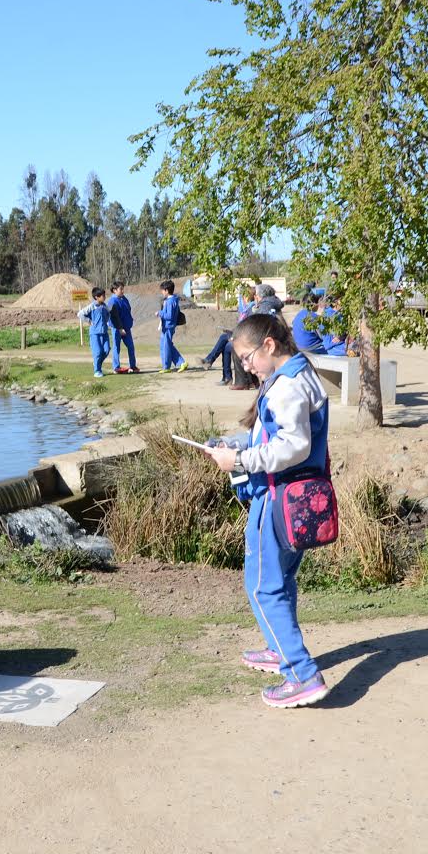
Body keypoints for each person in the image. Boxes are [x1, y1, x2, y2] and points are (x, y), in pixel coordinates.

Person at [206, 313, 331, 708]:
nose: (245, 366)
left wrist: (240, 461)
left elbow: (293, 446)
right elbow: (274, 435)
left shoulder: (285, 387)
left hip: (278, 499)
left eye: (247, 358)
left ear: (269, 346)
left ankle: (302, 675)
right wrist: (237, 443)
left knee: (262, 587)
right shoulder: (296, 375)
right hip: (296, 498)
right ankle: (279, 651)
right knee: (281, 581)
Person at [78, 287, 113, 377]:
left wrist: (108, 321)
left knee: (106, 350)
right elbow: (80, 314)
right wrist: (89, 321)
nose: (105, 297)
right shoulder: (91, 306)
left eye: (104, 295)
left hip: (104, 332)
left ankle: (96, 362)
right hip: (94, 333)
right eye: (103, 296)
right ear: (96, 297)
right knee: (97, 352)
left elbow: (109, 314)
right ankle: (97, 371)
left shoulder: (105, 306)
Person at [156, 279, 188, 372]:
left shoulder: (170, 301)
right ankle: (180, 363)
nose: (161, 292)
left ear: (166, 290)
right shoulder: (172, 300)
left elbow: (169, 316)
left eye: (162, 290)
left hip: (168, 326)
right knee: (166, 345)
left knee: (166, 346)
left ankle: (167, 367)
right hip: (167, 326)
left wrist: (160, 313)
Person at [108, 280, 138, 373]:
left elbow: (128, 310)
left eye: (123, 289)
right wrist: (120, 328)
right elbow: (113, 317)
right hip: (117, 328)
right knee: (116, 347)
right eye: (121, 289)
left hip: (127, 328)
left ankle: (133, 366)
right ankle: (116, 368)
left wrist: (130, 321)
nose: (122, 291)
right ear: (114, 290)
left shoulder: (124, 298)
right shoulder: (112, 301)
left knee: (131, 347)